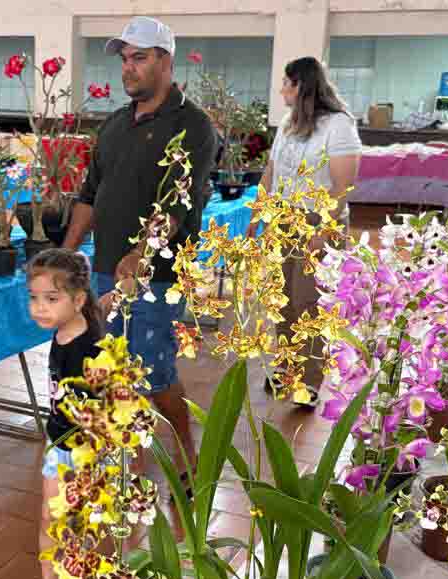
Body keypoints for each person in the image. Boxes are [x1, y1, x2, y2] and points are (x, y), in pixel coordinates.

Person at [62, 16, 217, 489]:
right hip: (108, 272)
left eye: (140, 58)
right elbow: (90, 194)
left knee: (154, 372)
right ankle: (134, 468)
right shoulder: (114, 125)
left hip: (159, 276)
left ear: (166, 63)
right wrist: (65, 255)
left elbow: (177, 203)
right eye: (125, 59)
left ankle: (189, 455)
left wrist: (141, 255)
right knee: (116, 369)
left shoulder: (192, 126)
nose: (128, 69)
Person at [245, 56, 361, 406]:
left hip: (317, 220)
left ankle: (309, 382)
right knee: (283, 302)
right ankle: (287, 370)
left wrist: (324, 230)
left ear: (301, 85)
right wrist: (257, 215)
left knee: (308, 300)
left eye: (286, 82)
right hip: (284, 219)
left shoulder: (338, 125)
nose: (281, 89)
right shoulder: (287, 122)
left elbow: (343, 186)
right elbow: (271, 172)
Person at [12, 249, 105, 579]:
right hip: (59, 445)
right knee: (50, 519)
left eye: (51, 299)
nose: (39, 308)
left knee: (78, 527)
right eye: (34, 298)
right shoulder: (64, 332)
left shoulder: (89, 347)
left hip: (84, 452)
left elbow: (104, 407)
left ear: (78, 300)